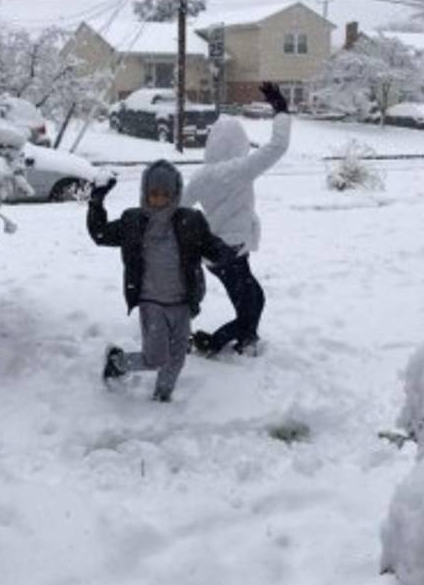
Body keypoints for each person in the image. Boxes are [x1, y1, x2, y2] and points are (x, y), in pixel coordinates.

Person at [87, 159, 232, 402]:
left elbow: (210, 244)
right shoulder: (132, 221)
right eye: (154, 194)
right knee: (155, 358)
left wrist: (227, 252)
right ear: (145, 193)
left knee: (177, 358)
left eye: (166, 194)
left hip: (182, 302)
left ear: (175, 194)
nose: (159, 199)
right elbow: (100, 234)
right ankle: (117, 363)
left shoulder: (191, 220)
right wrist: (96, 201)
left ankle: (162, 398)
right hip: (150, 301)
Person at [182, 82, 291, 356]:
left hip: (215, 254)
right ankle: (215, 342)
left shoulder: (201, 176)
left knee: (250, 300)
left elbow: (177, 209)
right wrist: (280, 109)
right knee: (252, 302)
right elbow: (278, 146)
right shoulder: (239, 169)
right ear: (238, 143)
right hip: (231, 251)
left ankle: (245, 339)